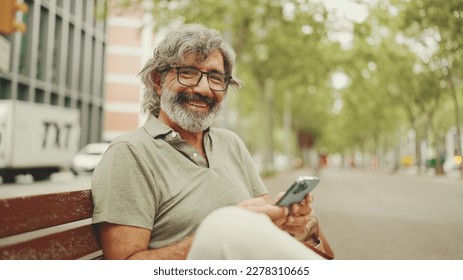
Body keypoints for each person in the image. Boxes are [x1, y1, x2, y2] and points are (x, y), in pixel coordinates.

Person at [91, 23, 333, 260]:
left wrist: (291, 219)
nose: (204, 89)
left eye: (216, 78)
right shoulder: (130, 153)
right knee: (224, 223)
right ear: (158, 81)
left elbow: (266, 224)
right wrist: (228, 231)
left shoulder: (231, 143)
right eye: (188, 73)